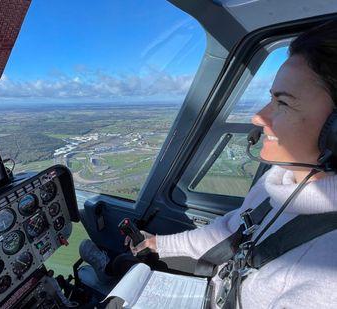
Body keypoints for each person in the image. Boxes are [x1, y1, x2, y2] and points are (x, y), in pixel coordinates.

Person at [80, 19, 337, 308]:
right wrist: (160, 244)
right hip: (215, 289)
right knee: (131, 262)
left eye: (283, 103)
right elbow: (230, 230)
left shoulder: (328, 275)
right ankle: (110, 273)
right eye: (271, 99)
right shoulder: (280, 182)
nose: (258, 117)